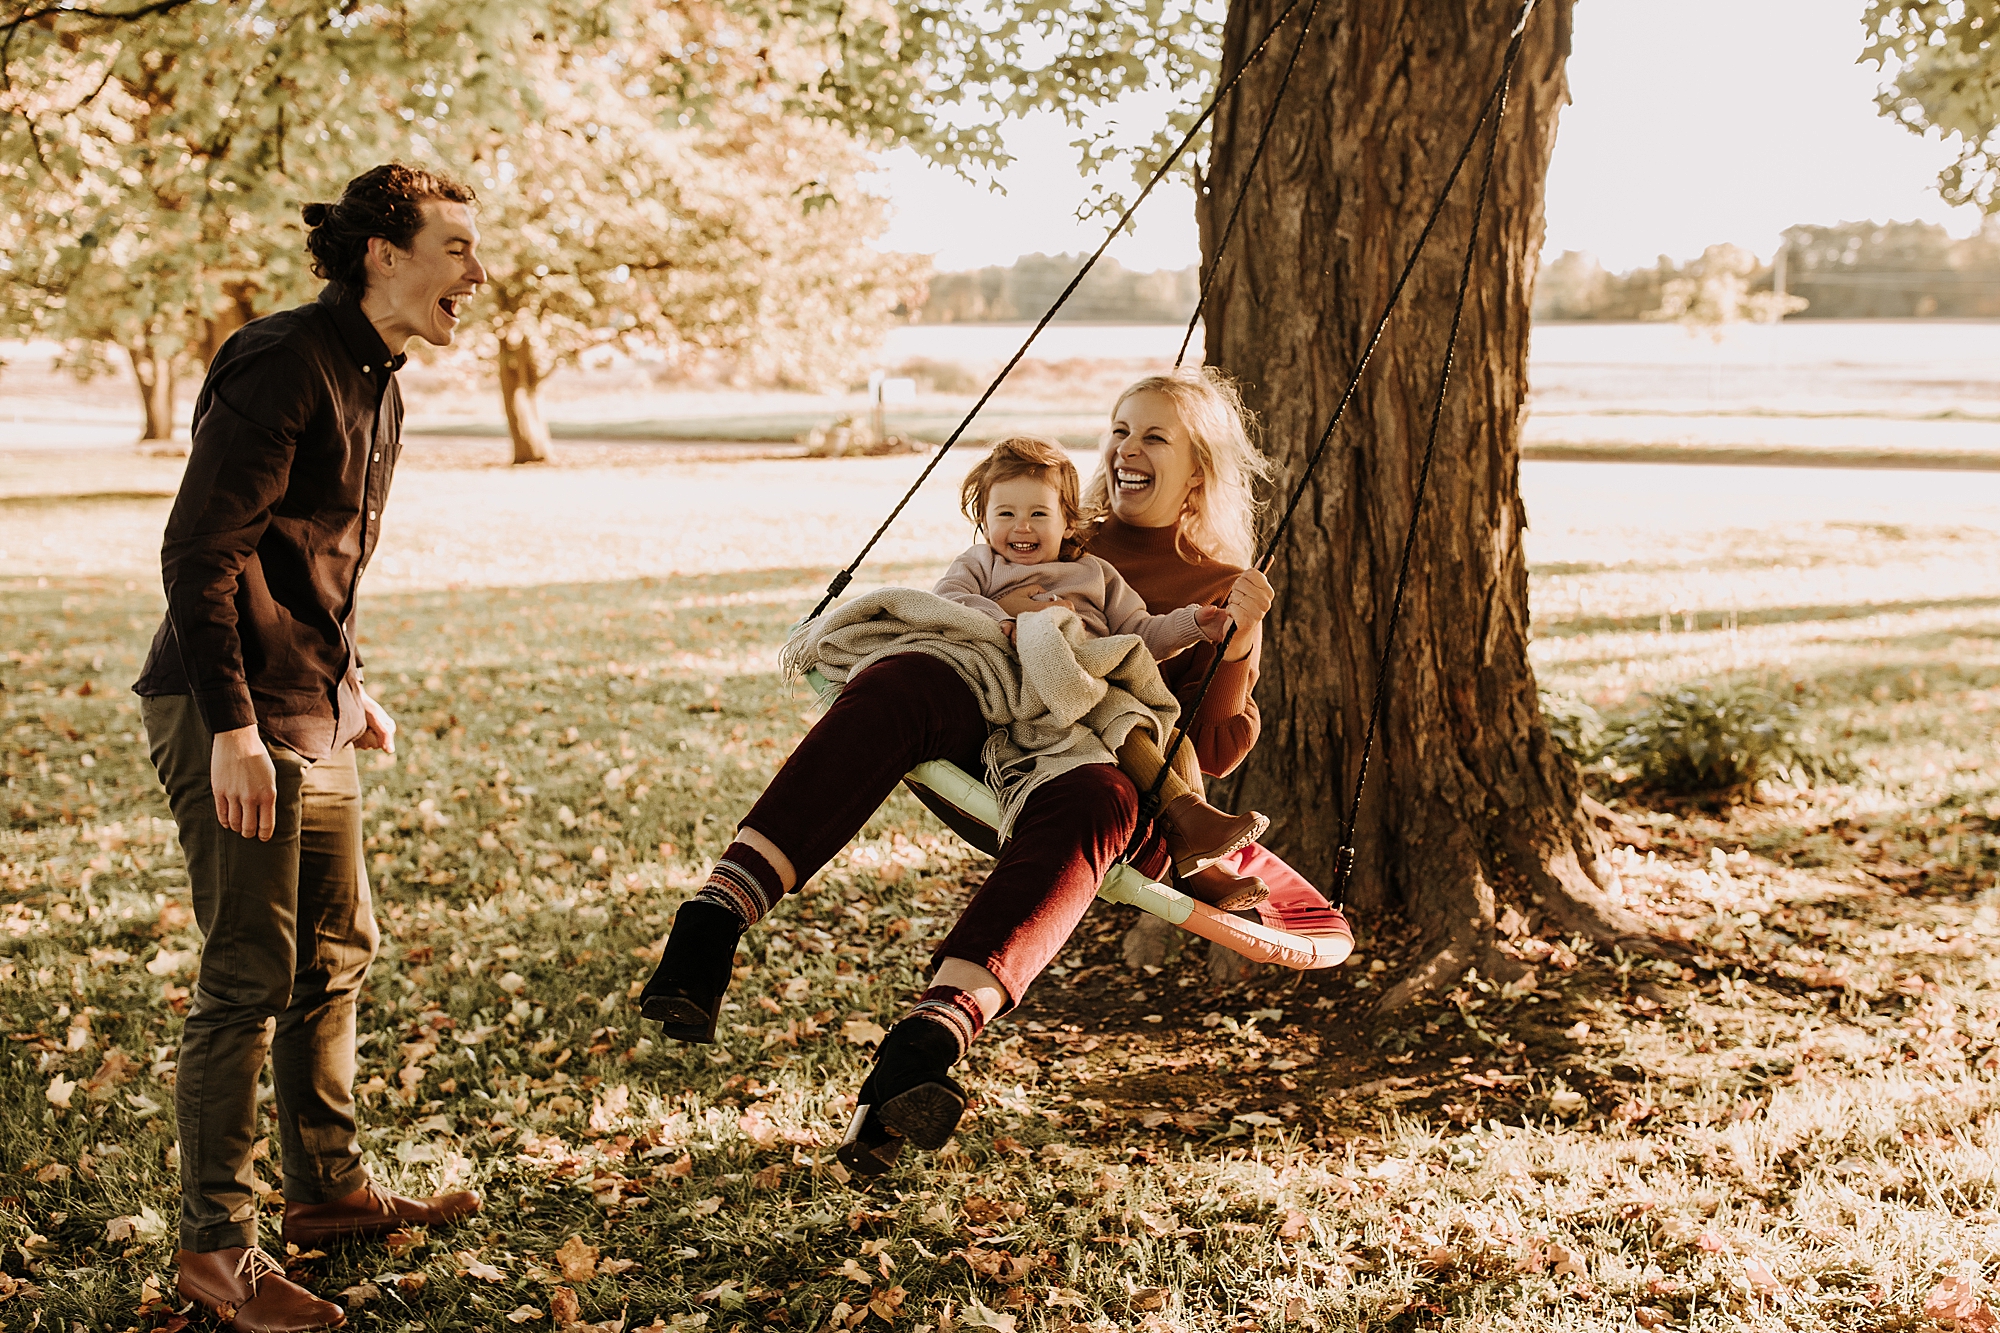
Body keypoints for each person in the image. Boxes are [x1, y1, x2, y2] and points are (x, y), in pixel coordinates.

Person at [638, 367, 1275, 1178]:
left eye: (1155, 435)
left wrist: (1242, 639)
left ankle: (919, 1053)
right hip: (992, 731)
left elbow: (1213, 749)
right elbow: (968, 595)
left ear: (1199, 472)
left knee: (1102, 792)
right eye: (1119, 428)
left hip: (1100, 783)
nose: (1127, 449)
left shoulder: (1219, 589)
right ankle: (711, 925)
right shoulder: (1061, 529)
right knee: (907, 674)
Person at [133, 163, 488, 1332]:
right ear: (383, 251)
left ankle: (327, 1190)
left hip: (311, 707)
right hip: (228, 709)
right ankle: (214, 1254)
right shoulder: (282, 357)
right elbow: (203, 555)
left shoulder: (379, 379)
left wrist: (349, 684)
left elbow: (309, 558)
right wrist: (233, 726)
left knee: (337, 949)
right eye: (454, 249)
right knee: (247, 976)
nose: (473, 277)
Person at [933, 434, 1269, 888]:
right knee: (1122, 717)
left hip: (1093, 683)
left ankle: (1200, 861)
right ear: (984, 518)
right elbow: (948, 601)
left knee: (1174, 742)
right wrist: (1010, 621)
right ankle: (1191, 826)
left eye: (1038, 514)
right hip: (1033, 696)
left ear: (1068, 522)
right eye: (1005, 514)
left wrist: (1196, 625)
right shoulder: (981, 564)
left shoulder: (1095, 573)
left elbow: (1140, 632)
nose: (1022, 528)